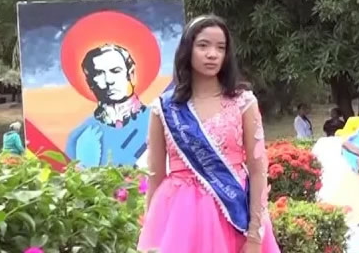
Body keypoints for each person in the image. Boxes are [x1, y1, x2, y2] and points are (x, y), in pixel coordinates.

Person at [137, 15, 280, 253]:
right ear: (187, 49)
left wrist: (255, 234)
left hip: (233, 216)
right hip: (179, 219)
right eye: (203, 45)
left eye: (220, 47)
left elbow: (257, 170)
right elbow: (155, 176)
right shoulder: (163, 108)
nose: (212, 54)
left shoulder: (243, 102)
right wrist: (151, 230)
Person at [65, 43, 150, 166]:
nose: (109, 80)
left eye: (115, 71)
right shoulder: (80, 136)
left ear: (131, 75)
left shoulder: (159, 120)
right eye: (99, 73)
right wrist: (85, 168)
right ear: (90, 82)